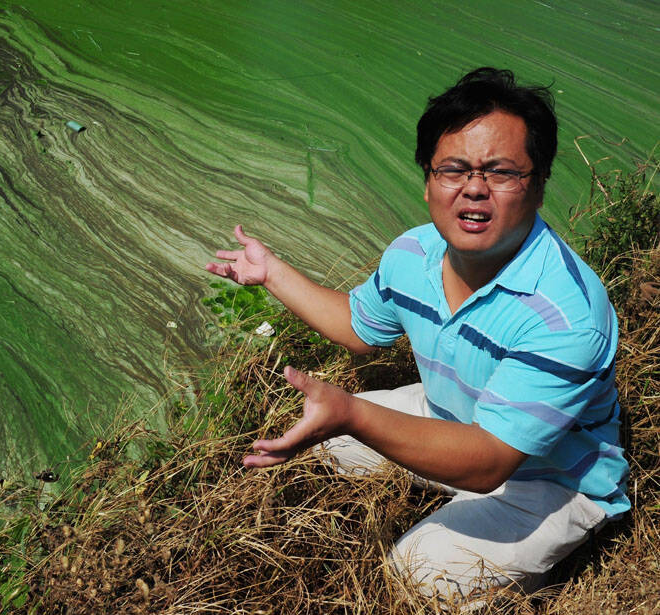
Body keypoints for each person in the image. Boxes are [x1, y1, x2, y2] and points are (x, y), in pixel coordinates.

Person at [206, 67, 629, 606]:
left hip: (550, 478)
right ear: (428, 179)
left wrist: (353, 411)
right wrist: (272, 273)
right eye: (454, 169)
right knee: (325, 444)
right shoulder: (413, 253)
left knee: (416, 572)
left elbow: (489, 461)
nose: (473, 189)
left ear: (539, 183)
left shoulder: (565, 316)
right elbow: (359, 327)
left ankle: (530, 580)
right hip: (450, 414)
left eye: (501, 172)